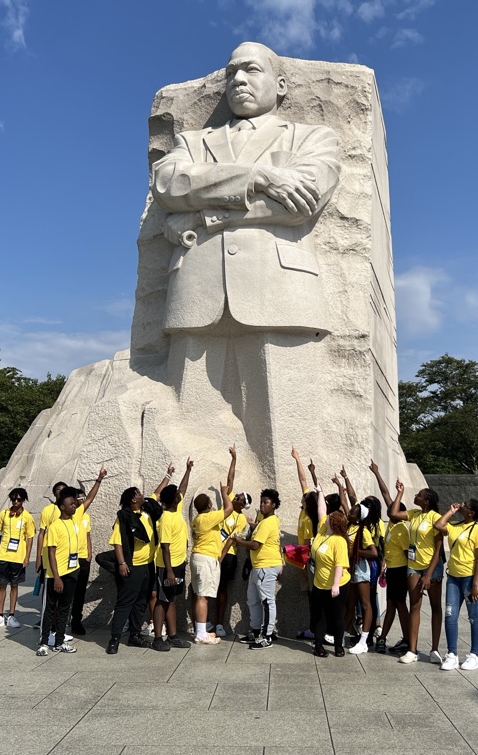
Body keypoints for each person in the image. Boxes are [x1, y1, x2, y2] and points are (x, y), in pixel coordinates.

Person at [150, 42, 341, 474]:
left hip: (280, 293)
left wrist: (206, 212)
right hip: (197, 292)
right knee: (188, 435)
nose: (237, 80)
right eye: (230, 73)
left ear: (281, 84)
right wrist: (256, 176)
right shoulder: (192, 141)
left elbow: (300, 204)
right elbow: (168, 185)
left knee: (288, 437)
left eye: (251, 70)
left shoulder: (311, 137)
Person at [386, 481, 444, 664]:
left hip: (431, 567)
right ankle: (412, 650)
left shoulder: (436, 518)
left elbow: (438, 549)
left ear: (426, 501)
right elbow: (393, 513)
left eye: (419, 495)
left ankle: (434, 649)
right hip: (413, 565)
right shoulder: (414, 514)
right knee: (414, 605)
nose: (416, 496)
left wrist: (428, 574)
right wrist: (399, 493)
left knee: (435, 606)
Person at [436, 499, 478, 671]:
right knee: (450, 615)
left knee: (474, 617)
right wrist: (451, 511)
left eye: (465, 506)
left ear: (471, 512)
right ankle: (452, 654)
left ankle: (475, 655)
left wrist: (475, 584)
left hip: (471, 579)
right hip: (453, 578)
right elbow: (438, 525)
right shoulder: (455, 526)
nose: (462, 506)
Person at [229, 488, 283, 649]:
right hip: (257, 566)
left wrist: (238, 541)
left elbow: (255, 545)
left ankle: (267, 636)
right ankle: (255, 631)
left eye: (266, 502)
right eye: (261, 502)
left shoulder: (269, 522)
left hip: (266, 566)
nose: (262, 505)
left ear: (273, 505)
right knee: (252, 600)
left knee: (267, 602)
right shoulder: (263, 522)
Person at [106, 487, 156, 654]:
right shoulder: (123, 517)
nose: (143, 495)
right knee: (125, 604)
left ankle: (134, 635)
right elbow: (117, 542)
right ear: (133, 500)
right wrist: (121, 563)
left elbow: (157, 493)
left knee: (141, 602)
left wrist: (168, 475)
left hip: (148, 566)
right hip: (132, 566)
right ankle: (114, 639)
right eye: (139, 494)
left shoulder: (148, 513)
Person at [37, 487, 81, 656]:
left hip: (72, 571)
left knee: (64, 608)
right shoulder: (54, 526)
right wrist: (56, 577)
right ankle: (43, 642)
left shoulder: (74, 522)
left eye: (74, 503)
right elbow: (51, 552)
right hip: (55, 575)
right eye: (70, 504)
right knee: (49, 609)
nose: (74, 506)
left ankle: (59, 641)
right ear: (62, 507)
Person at [191, 480, 236, 645]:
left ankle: (201, 630)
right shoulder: (207, 518)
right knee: (203, 596)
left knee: (200, 596)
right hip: (206, 558)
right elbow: (229, 509)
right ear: (209, 505)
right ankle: (201, 634)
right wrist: (224, 493)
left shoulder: (197, 519)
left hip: (198, 557)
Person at [152, 467, 191, 652]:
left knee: (171, 599)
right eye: (177, 495)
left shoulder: (176, 509)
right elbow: (165, 546)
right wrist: (168, 571)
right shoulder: (166, 518)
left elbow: (182, 489)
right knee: (162, 600)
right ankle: (158, 638)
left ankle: (173, 636)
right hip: (167, 566)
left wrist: (188, 470)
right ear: (171, 500)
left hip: (178, 563)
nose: (180, 495)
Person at [0, 488, 35, 629]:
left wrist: (27, 557)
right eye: (13, 498)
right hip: (3, 555)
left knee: (15, 585)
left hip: (18, 557)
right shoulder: (4, 514)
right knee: (2, 584)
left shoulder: (27, 517)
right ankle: (0, 615)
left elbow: (30, 538)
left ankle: (12, 615)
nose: (16, 501)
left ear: (23, 500)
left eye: (19, 499)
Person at [214, 444, 249, 637]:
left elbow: (232, 539)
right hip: (213, 551)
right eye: (237, 495)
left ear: (243, 505)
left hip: (227, 557)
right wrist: (234, 458)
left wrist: (221, 556)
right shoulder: (226, 504)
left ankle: (219, 623)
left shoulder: (241, 519)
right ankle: (206, 622)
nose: (236, 496)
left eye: (240, 498)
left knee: (221, 589)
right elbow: (230, 480)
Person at [309, 505, 350, 658]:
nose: (326, 517)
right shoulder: (322, 532)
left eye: (329, 516)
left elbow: (340, 564)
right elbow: (320, 511)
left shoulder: (339, 541)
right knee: (320, 616)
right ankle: (318, 645)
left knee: (337, 615)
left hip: (337, 584)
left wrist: (335, 584)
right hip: (319, 583)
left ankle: (339, 645)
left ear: (333, 523)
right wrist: (319, 492)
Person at [69, 469, 106, 635]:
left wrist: (89, 553)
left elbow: (88, 536)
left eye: (83, 498)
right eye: (80, 498)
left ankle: (76, 621)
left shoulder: (85, 517)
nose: (84, 500)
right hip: (69, 559)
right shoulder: (72, 514)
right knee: (66, 591)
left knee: (80, 592)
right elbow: (91, 498)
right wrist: (98, 479)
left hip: (83, 559)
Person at [342, 495, 379, 655]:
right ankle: (341, 635)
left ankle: (363, 641)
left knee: (365, 604)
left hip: (361, 569)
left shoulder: (362, 531)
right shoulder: (349, 526)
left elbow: (373, 552)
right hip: (351, 569)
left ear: (359, 517)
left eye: (352, 512)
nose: (348, 513)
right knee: (349, 605)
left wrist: (355, 552)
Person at [378, 482, 411, 656]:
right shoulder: (392, 522)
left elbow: (408, 555)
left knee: (399, 604)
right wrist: (376, 473)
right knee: (392, 604)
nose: (389, 511)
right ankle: (383, 637)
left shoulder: (400, 529)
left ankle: (407, 640)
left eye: (393, 509)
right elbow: (386, 495)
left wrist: (411, 576)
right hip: (392, 570)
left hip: (400, 571)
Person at [291, 447, 319, 640]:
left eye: (305, 496)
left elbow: (307, 546)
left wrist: (300, 563)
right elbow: (303, 481)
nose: (303, 493)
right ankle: (314, 628)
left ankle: (316, 629)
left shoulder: (310, 519)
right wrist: (298, 459)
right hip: (303, 558)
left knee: (313, 596)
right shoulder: (305, 509)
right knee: (310, 596)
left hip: (307, 560)